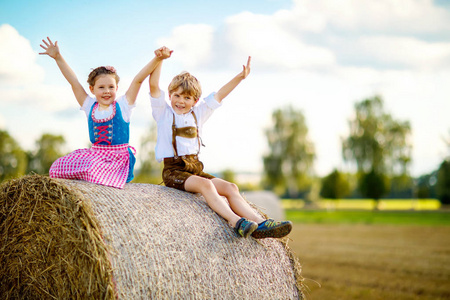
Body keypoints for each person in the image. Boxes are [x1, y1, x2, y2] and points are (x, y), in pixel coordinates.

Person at [148, 48, 292, 239]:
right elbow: (153, 85)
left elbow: (220, 94)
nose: (180, 101)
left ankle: (260, 224)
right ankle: (236, 221)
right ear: (170, 95)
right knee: (207, 187)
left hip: (195, 169)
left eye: (187, 97)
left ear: (195, 100)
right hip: (174, 172)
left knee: (231, 188)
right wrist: (160, 60)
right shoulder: (163, 113)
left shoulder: (198, 114)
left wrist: (241, 77)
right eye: (176, 95)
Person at [39, 37, 171, 188]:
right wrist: (58, 57)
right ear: (92, 89)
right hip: (95, 156)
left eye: (111, 87)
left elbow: (138, 80)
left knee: (90, 169)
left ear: (116, 88)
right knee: (57, 166)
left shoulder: (124, 105)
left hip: (117, 160)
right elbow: (74, 82)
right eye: (101, 87)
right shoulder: (90, 106)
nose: (107, 91)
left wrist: (157, 58)